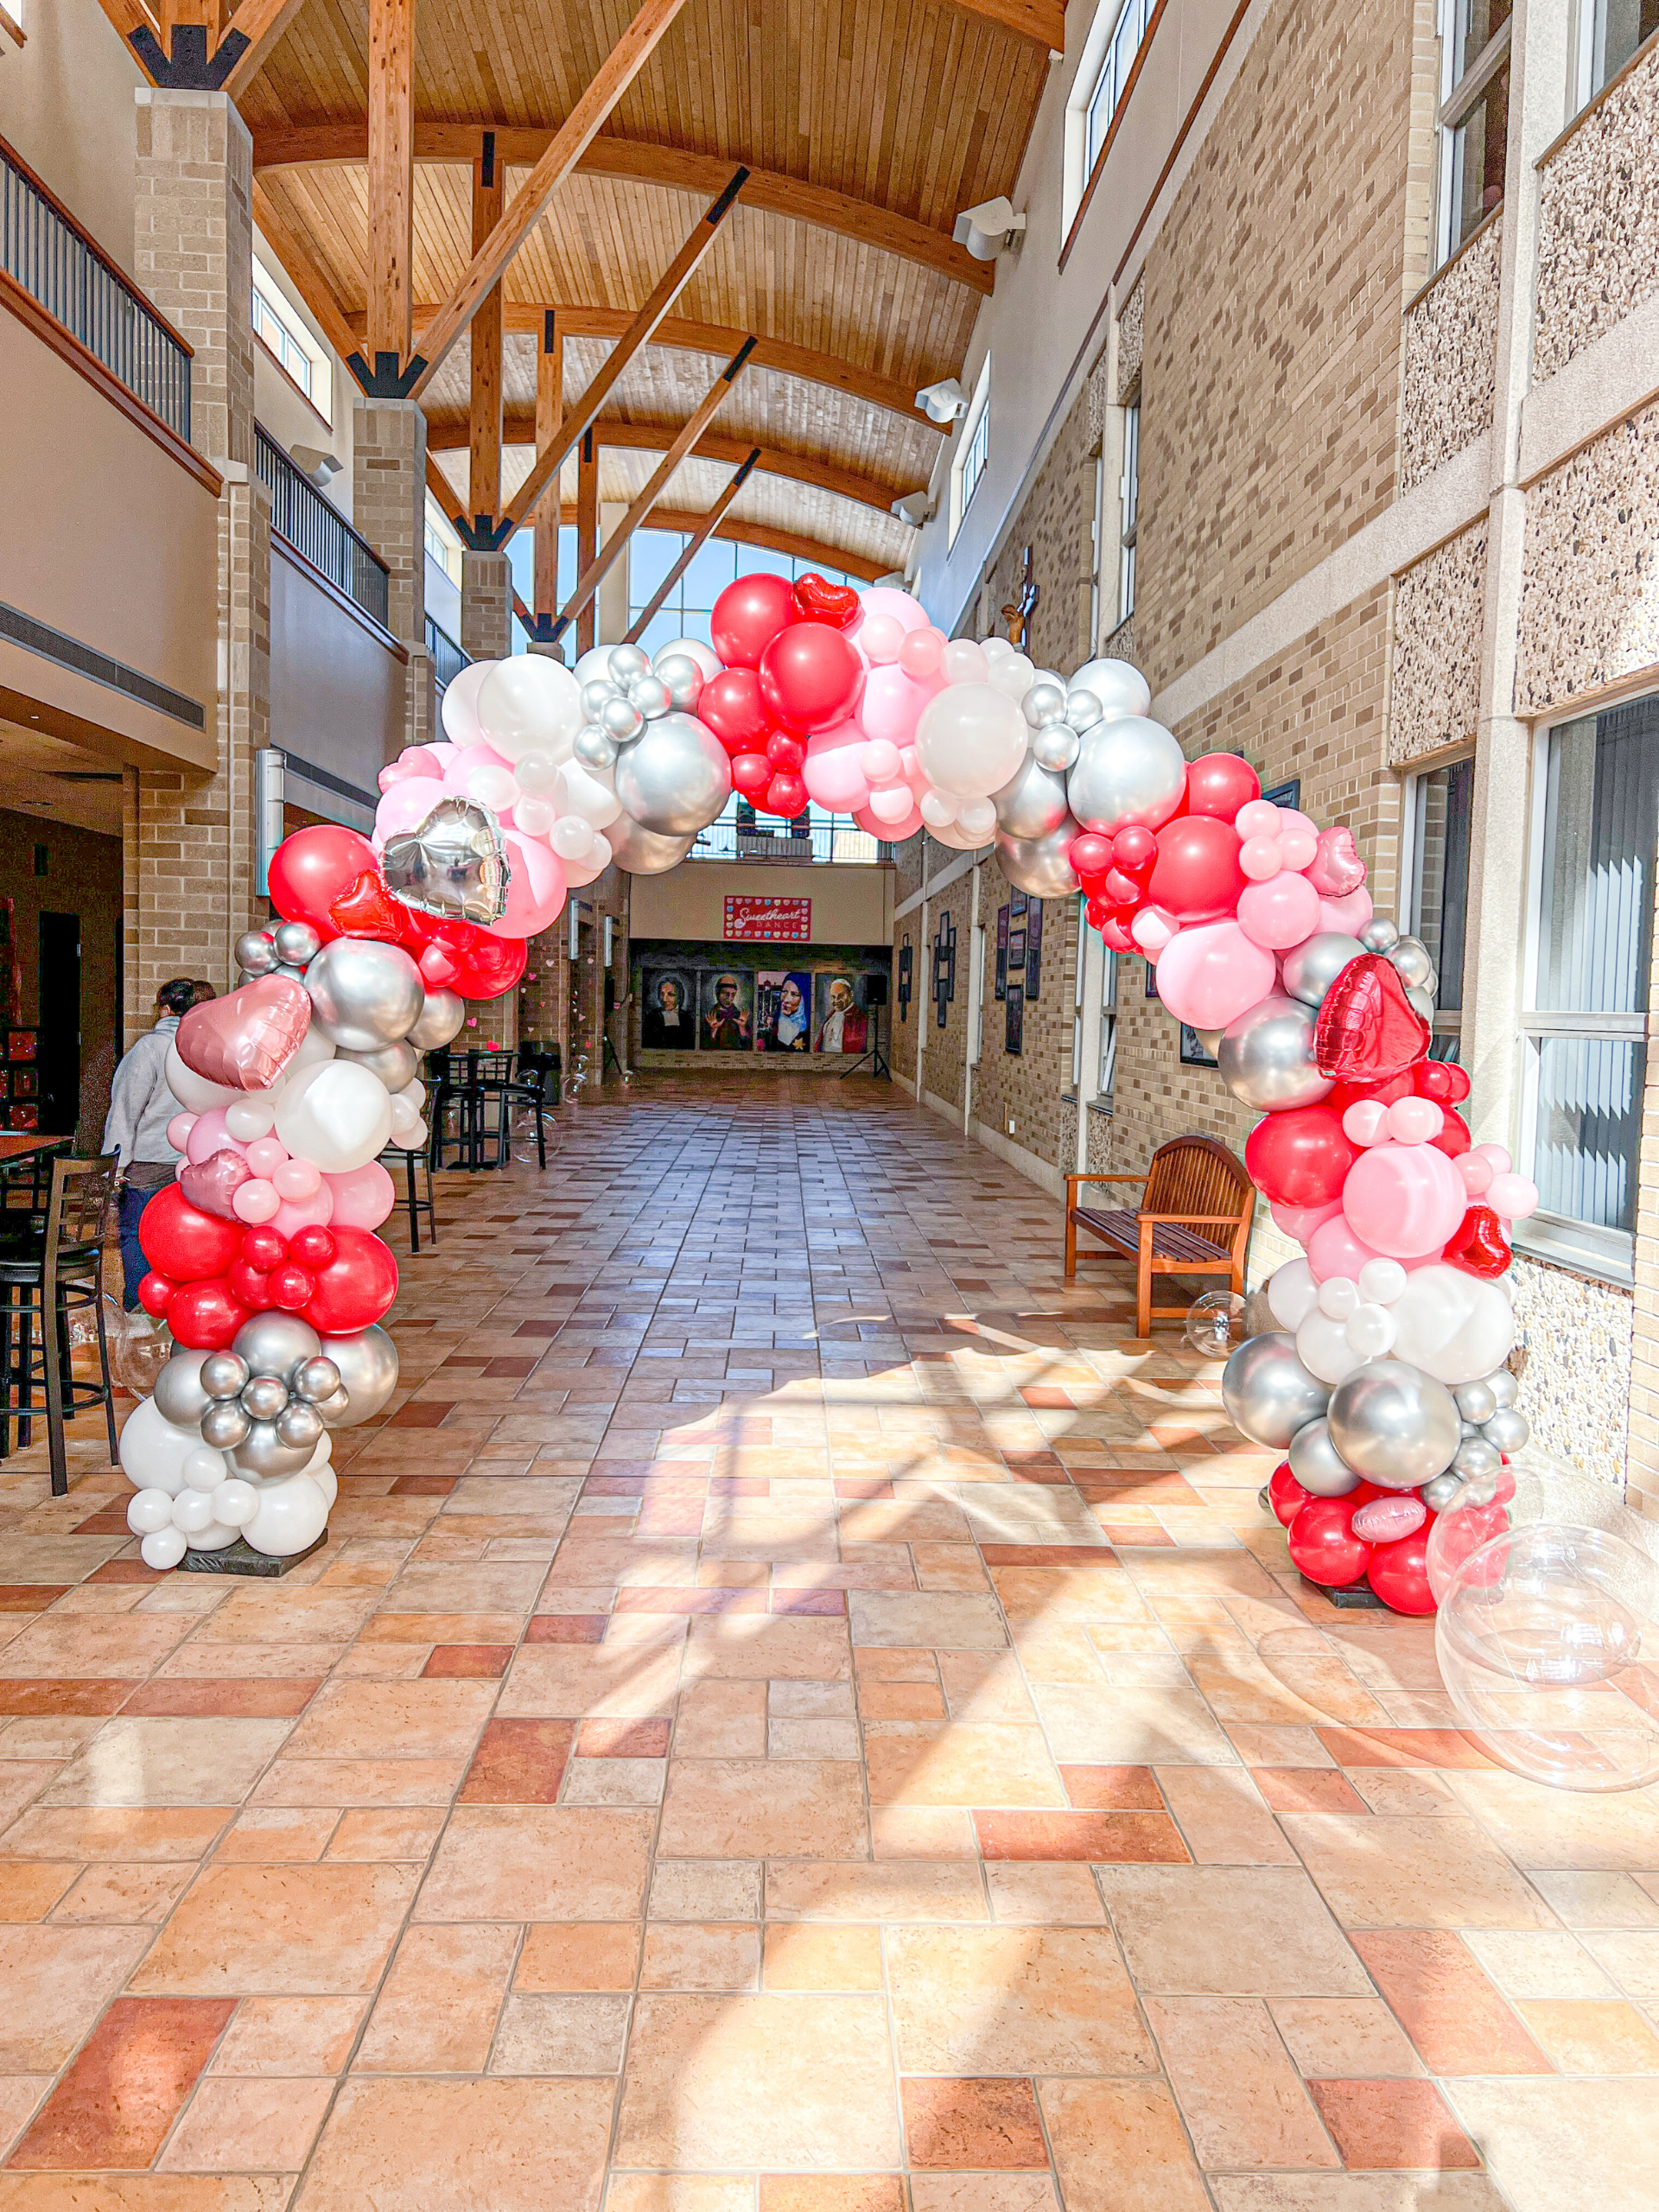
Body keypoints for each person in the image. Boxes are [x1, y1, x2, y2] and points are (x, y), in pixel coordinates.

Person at [102, 977, 210, 1310]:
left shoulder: (148, 1049)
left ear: (164, 1008)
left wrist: (114, 1168)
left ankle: (140, 1308)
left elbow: (124, 1112)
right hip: (196, 1161)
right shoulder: (205, 1050)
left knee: (138, 1237)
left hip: (149, 1164)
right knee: (187, 1240)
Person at [815, 976, 867, 1054]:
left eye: (841, 996)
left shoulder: (860, 1017)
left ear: (851, 994)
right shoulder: (830, 1017)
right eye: (833, 997)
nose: (836, 1000)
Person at [702, 975, 750, 1051]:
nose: (729, 998)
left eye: (733, 994)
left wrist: (742, 1028)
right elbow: (703, 1046)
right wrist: (713, 1031)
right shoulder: (709, 1015)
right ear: (717, 993)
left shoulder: (739, 1015)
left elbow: (746, 1046)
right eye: (725, 993)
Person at [641, 976, 690, 1050]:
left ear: (679, 996)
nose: (664, 999)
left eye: (670, 994)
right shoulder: (651, 1017)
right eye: (662, 994)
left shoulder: (687, 1018)